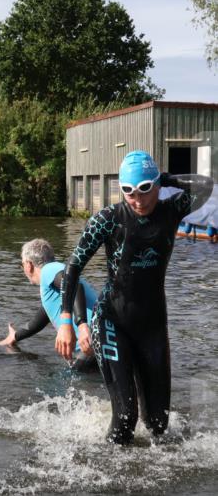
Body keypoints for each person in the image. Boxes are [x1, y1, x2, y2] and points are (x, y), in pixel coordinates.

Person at [56, 150, 214, 445]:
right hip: (112, 319)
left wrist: (165, 178)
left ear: (156, 186)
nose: (138, 200)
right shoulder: (108, 219)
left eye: (145, 190)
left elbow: (205, 184)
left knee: (158, 424)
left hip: (152, 323)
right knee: (126, 417)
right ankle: (110, 478)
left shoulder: (173, 209)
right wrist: (68, 320)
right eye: (129, 192)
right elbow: (73, 266)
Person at [0, 238, 98, 371]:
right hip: (98, 340)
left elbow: (75, 286)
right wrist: (14, 337)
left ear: (28, 265)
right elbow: (38, 321)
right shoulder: (53, 285)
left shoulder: (49, 270)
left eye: (22, 265)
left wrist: (81, 325)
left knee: (71, 383)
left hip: (91, 340)